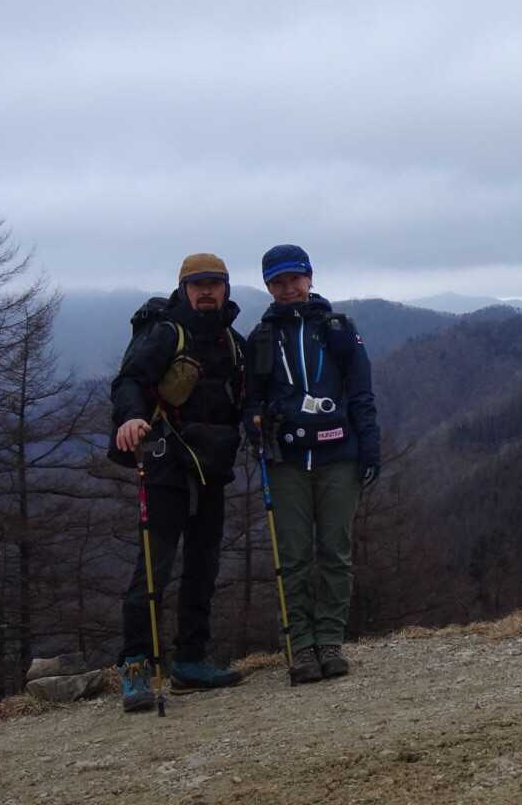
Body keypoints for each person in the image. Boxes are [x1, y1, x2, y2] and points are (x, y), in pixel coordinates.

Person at [110, 252, 247, 712]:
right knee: (154, 569)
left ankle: (190, 660)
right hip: (166, 462)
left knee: (203, 566)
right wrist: (131, 417)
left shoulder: (233, 342)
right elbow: (129, 381)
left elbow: (246, 396)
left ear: (225, 288)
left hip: (212, 465)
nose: (206, 291)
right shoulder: (168, 333)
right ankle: (136, 667)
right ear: (184, 289)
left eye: (214, 283)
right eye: (197, 284)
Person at [246, 244, 382, 683]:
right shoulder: (262, 338)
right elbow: (250, 399)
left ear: (309, 278)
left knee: (335, 552)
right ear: (268, 287)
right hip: (285, 460)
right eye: (278, 282)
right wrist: (253, 425)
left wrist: (370, 445)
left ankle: (330, 641)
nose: (288, 288)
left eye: (295, 278)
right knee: (293, 557)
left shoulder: (339, 330)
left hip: (339, 455)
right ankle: (301, 647)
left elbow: (361, 391)